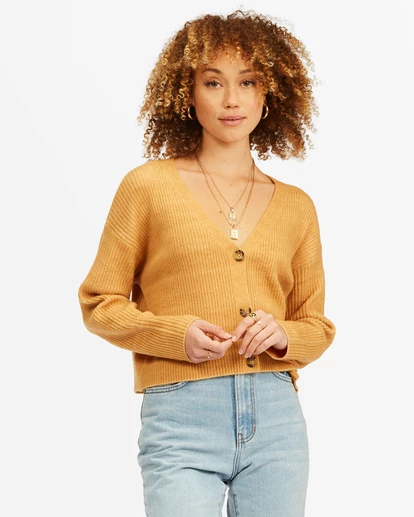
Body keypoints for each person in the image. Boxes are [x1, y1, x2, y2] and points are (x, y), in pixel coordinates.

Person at [78, 9, 336, 517]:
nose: (232, 99)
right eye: (213, 82)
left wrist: (282, 335)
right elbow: (98, 303)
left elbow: (316, 325)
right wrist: (175, 335)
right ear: (187, 93)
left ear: (269, 94)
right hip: (180, 414)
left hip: (277, 420)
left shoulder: (297, 206)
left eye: (248, 82)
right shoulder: (147, 187)